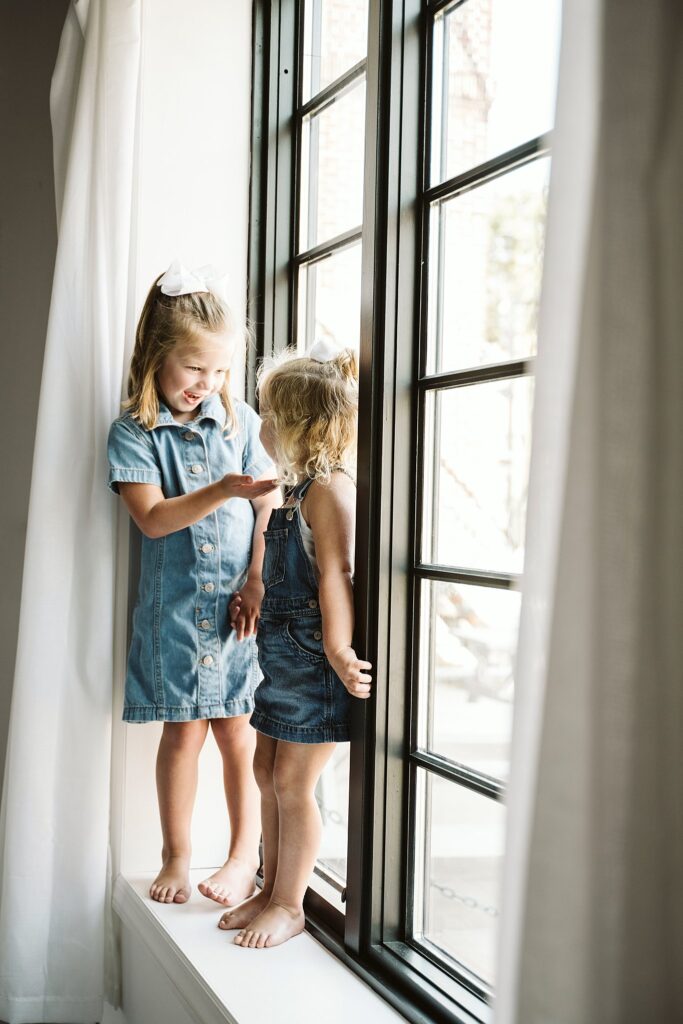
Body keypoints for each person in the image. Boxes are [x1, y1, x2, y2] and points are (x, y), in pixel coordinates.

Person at [107, 261, 279, 906]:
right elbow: (152, 520)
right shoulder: (135, 431)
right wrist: (220, 490)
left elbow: (267, 506)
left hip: (239, 607)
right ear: (157, 356)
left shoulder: (239, 422)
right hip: (174, 615)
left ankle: (242, 858)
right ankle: (175, 857)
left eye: (219, 372)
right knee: (182, 731)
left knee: (238, 729)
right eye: (192, 369)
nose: (205, 385)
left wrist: (258, 578)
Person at [218, 339, 372, 948]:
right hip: (279, 663)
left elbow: (336, 575)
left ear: (299, 425)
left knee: (292, 785)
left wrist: (337, 650)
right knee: (264, 770)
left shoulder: (331, 491)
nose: (263, 428)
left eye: (270, 418)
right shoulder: (292, 489)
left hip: (313, 663)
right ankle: (269, 883)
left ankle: (290, 903)